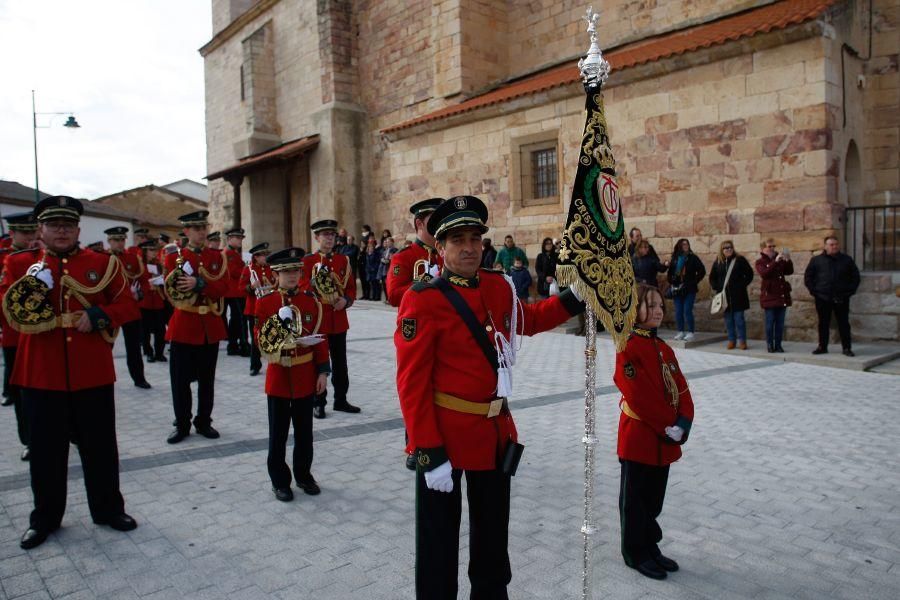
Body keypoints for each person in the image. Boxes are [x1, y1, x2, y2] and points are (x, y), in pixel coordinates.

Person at [395, 195, 585, 599]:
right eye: (457, 240)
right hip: (444, 435)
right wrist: (428, 451)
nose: (468, 248)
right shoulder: (423, 299)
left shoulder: (498, 285)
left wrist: (576, 296)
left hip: (493, 432)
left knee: (492, 537)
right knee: (438, 541)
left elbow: (529, 320)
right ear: (440, 247)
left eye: (475, 239)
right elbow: (411, 384)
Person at [1, 196, 140, 550]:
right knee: (46, 452)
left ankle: (108, 509)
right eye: (53, 225)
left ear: (78, 229)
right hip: (40, 374)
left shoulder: (102, 264)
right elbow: (5, 312)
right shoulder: (19, 264)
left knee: (100, 447)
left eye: (67, 225)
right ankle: (44, 518)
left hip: (90, 371)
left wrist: (97, 317)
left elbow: (126, 305)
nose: (61, 230)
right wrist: (33, 288)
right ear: (41, 229)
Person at [614, 283, 694, 580]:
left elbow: (682, 388)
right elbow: (637, 395)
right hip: (640, 437)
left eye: (660, 305)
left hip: (665, 438)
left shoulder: (663, 348)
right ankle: (634, 552)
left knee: (653, 499)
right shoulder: (627, 345)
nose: (658, 310)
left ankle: (650, 545)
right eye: (650, 305)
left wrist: (684, 422)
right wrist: (667, 426)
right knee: (634, 501)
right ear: (634, 310)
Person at [254, 247, 330, 502]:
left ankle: (304, 475)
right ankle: (279, 481)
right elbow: (261, 343)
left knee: (304, 432)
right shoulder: (266, 303)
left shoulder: (311, 302)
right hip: (279, 375)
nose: (292, 276)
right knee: (278, 434)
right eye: (286, 272)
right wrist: (277, 323)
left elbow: (321, 340)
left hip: (304, 375)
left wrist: (323, 372)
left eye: (296, 271)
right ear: (276, 274)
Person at [163, 211, 230, 444]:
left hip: (209, 325)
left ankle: (204, 421)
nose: (201, 232)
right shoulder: (174, 258)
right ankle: (181, 423)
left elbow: (224, 287)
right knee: (180, 382)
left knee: (207, 380)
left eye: (203, 227)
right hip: (184, 325)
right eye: (196, 228)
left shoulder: (217, 257)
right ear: (187, 232)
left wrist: (200, 284)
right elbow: (169, 289)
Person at [302, 219, 360, 418]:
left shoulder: (343, 260)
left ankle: (341, 400)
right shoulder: (308, 261)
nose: (329, 238)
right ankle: (319, 402)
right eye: (324, 235)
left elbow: (351, 288)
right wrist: (313, 283)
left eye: (332, 235)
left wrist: (345, 300)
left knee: (340, 362)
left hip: (338, 318)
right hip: (319, 320)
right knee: (320, 361)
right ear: (317, 238)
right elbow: (302, 289)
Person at [0, 211, 39, 461]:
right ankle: (29, 440)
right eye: (25, 233)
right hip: (17, 335)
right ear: (12, 233)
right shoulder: (9, 260)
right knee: (22, 393)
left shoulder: (43, 257)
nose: (31, 237)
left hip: (45, 336)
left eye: (33, 231)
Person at [105, 227, 152, 388]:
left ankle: (139, 378)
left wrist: (140, 294)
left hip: (130, 308)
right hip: (110, 309)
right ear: (109, 241)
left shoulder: (132, 258)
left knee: (133, 347)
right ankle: (104, 378)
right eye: (116, 240)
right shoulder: (102, 258)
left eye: (122, 240)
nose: (119, 243)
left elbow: (144, 280)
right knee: (106, 346)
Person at [804, 236, 860, 356]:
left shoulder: (847, 260)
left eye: (836, 244)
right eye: (831, 244)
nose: (834, 246)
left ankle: (846, 348)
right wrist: (815, 292)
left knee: (843, 323)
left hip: (842, 297)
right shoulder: (816, 260)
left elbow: (855, 277)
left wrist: (849, 292)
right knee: (823, 323)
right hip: (822, 297)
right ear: (825, 246)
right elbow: (808, 277)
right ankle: (822, 346)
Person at [386, 198, 444, 307]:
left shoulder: (446, 253)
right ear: (419, 223)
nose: (440, 225)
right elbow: (393, 297)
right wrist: (424, 282)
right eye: (435, 220)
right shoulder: (403, 256)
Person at [708, 240, 754, 350]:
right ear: (722, 250)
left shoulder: (739, 260)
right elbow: (712, 277)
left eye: (730, 247)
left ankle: (742, 341)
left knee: (739, 320)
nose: (728, 249)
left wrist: (741, 285)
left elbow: (749, 274)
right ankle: (731, 340)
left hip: (738, 296)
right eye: (726, 248)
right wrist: (717, 287)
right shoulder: (718, 262)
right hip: (725, 297)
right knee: (728, 320)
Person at [240, 242, 274, 376]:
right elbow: (241, 288)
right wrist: (251, 287)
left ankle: (273, 361)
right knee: (256, 338)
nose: (265, 257)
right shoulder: (248, 269)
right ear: (256, 257)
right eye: (262, 255)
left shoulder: (271, 268)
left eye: (266, 254)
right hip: (254, 309)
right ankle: (255, 365)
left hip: (270, 307)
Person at [755, 239, 793, 353]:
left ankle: (779, 345)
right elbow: (765, 274)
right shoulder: (760, 262)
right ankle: (770, 344)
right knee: (770, 323)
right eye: (769, 246)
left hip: (781, 295)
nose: (772, 248)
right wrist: (775, 262)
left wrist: (788, 260)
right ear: (763, 249)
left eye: (773, 246)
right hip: (769, 296)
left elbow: (789, 271)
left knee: (780, 323)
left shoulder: (779, 259)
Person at [666, 238, 705, 341]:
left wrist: (693, 281)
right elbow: (670, 273)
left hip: (689, 288)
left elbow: (702, 271)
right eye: (683, 244)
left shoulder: (693, 258)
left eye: (687, 244)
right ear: (679, 246)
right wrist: (671, 281)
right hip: (677, 288)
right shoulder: (675, 258)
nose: (686, 246)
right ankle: (680, 331)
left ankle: (691, 332)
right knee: (678, 311)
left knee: (687, 310)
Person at [138, 239, 167, 362]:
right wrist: (147, 286)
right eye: (151, 250)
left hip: (158, 300)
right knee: (145, 330)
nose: (154, 252)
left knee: (160, 329)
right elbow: (136, 281)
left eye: (155, 250)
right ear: (145, 251)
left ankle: (159, 352)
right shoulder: (140, 265)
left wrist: (161, 280)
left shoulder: (159, 265)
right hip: (145, 301)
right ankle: (148, 351)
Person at [223, 228, 250, 357]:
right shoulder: (229, 253)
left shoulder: (233, 253)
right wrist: (246, 268)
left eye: (241, 238)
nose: (240, 241)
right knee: (240, 319)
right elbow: (235, 272)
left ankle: (233, 345)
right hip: (234, 291)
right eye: (237, 238)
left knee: (235, 320)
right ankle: (243, 344)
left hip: (235, 291)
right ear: (229, 239)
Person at [377, 236, 398, 302]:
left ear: (392, 242)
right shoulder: (385, 251)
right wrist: (383, 260)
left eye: (389, 242)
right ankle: (387, 298)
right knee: (384, 285)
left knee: (389, 285)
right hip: (384, 270)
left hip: (390, 269)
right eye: (387, 242)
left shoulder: (395, 250)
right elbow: (382, 258)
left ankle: (390, 299)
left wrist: (388, 260)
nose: (387, 243)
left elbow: (393, 259)